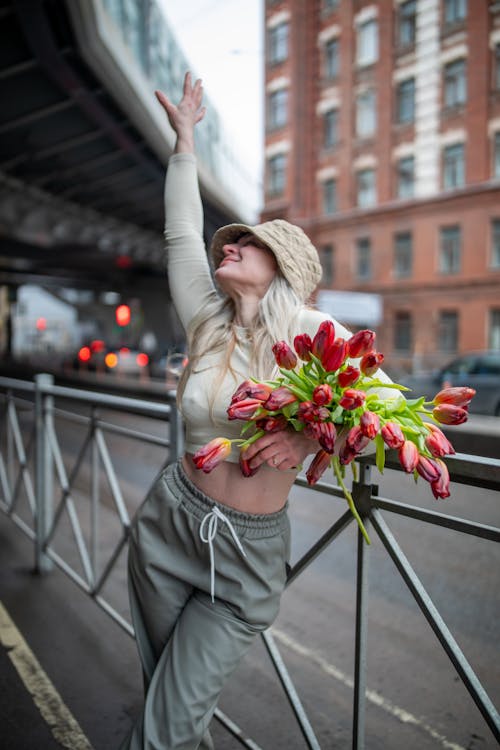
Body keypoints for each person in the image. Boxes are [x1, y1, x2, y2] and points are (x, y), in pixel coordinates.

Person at [120, 72, 391, 750]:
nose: (226, 245)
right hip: (167, 522)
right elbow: (181, 233)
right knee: (168, 703)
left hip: (245, 553)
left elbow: (390, 415)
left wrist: (307, 440)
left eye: (248, 242)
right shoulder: (207, 322)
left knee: (167, 725)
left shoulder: (315, 332)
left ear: (283, 268)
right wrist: (185, 143)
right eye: (229, 242)